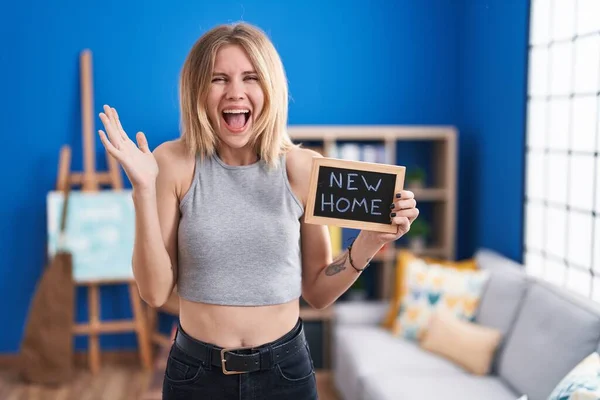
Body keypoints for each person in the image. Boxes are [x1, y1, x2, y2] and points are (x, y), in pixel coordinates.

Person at [97, 22, 419, 400]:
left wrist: (368, 242)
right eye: (219, 79)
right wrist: (143, 191)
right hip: (196, 375)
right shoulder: (172, 163)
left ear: (270, 87)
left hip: (285, 374)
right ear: (198, 91)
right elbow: (154, 292)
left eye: (250, 77)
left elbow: (317, 292)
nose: (235, 92)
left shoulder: (302, 168)